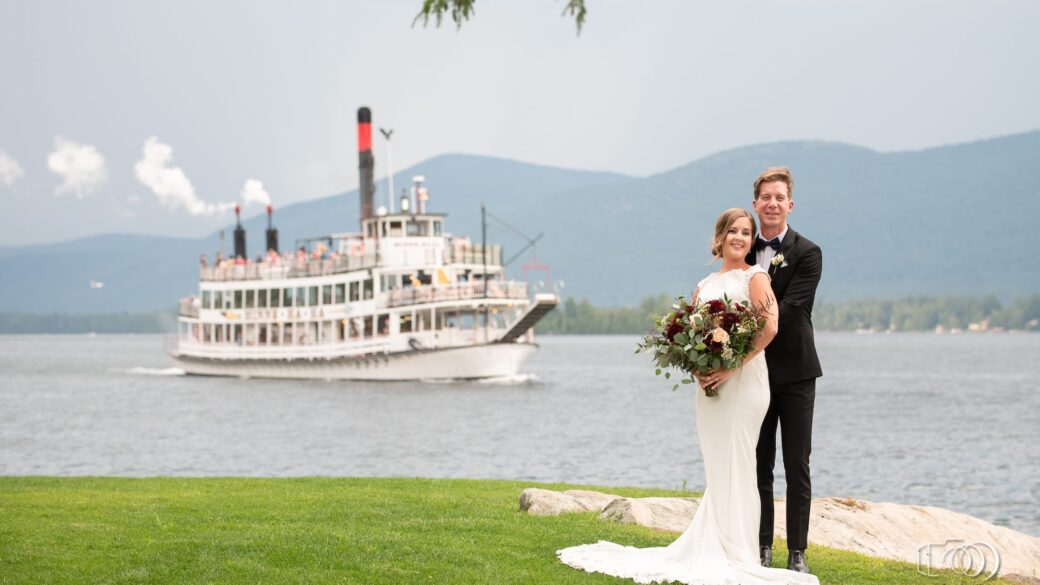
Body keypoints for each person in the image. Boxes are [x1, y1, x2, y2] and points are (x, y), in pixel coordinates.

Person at [556, 209, 819, 585]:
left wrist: (732, 365)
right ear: (720, 236)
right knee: (717, 463)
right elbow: (690, 334)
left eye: (746, 232)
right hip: (711, 384)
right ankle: (718, 540)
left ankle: (740, 550)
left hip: (744, 384)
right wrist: (697, 367)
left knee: (741, 462)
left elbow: (770, 325)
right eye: (733, 231)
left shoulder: (755, 277)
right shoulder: (704, 283)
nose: (740, 238)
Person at [745, 167, 823, 574]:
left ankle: (797, 552)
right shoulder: (740, 249)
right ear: (755, 203)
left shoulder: (808, 252)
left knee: (797, 464)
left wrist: (744, 328)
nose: (772, 204)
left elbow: (791, 311)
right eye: (766, 197)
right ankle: (761, 548)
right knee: (759, 462)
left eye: (780, 198)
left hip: (795, 373)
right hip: (753, 374)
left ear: (789, 205)